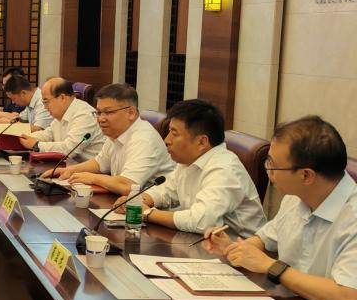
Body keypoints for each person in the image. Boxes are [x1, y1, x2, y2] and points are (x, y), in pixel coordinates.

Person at [206, 116, 357, 300]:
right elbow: (266, 239)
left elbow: (349, 298)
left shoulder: (352, 217)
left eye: (273, 164)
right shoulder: (296, 197)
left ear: (306, 175)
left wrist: (271, 266)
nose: (268, 171)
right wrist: (236, 248)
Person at [112, 99, 265, 238]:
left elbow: (201, 222)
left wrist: (145, 212)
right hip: (200, 244)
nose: (167, 140)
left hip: (237, 253)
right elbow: (166, 190)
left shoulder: (225, 169)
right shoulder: (188, 160)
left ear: (202, 142)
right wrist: (138, 200)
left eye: (174, 134)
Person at [49, 83, 174, 195]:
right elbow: (100, 163)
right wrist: (69, 170)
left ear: (131, 113)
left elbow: (128, 186)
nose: (101, 119)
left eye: (108, 112)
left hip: (155, 207)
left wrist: (92, 178)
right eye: (98, 113)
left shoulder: (143, 140)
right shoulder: (116, 132)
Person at [18, 78, 104, 159]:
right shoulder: (62, 113)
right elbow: (47, 134)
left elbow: (69, 149)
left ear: (62, 98)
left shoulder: (84, 115)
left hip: (86, 167)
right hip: (70, 164)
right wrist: (22, 137)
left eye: (46, 102)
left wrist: (36, 145)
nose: (45, 107)